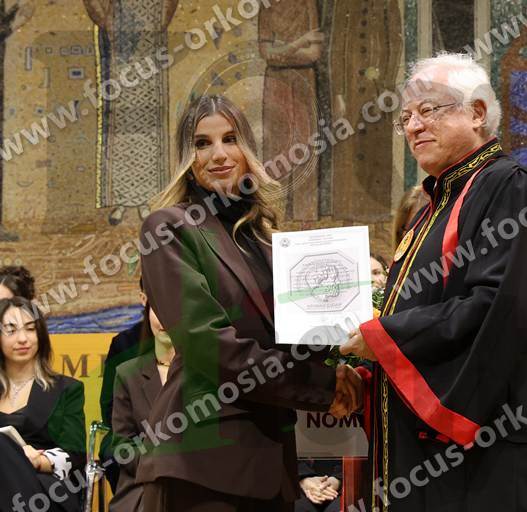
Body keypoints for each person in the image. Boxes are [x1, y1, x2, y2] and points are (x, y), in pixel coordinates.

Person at [341, 53, 527, 511]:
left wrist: (384, 338)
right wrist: (370, 372)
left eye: (428, 110)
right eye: (406, 118)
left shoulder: (510, 187)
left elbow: (496, 309)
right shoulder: (436, 206)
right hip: (448, 458)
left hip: (500, 450)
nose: (414, 126)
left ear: (477, 113)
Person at [137, 95, 362, 511]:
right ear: (186, 158)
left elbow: (294, 341)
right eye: (202, 143)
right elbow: (209, 348)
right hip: (202, 462)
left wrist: (350, 339)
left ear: (248, 149)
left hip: (273, 462)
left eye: (230, 138)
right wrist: (324, 386)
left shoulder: (267, 241)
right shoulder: (168, 229)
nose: (219, 154)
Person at [0, 296, 85, 512]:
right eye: (11, 330)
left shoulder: (66, 389)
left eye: (30, 329)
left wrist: (39, 460)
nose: (22, 339)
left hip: (44, 488)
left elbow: (76, 455)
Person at [109, 300, 173, 512]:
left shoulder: (204, 372)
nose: (163, 319)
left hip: (195, 483)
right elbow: (122, 446)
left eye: (170, 307)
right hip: (142, 485)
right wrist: (160, 465)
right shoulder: (127, 374)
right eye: (156, 309)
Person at [99, 277, 146, 492]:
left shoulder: (193, 338)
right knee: (115, 453)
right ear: (143, 298)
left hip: (181, 427)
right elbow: (109, 405)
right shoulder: (124, 343)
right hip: (131, 430)